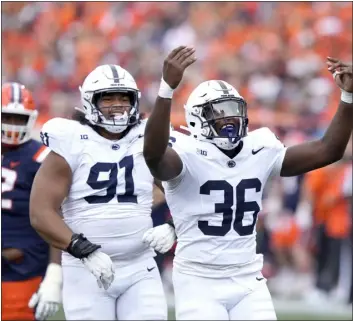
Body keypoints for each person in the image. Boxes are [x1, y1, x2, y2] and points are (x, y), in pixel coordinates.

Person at [142, 46, 353, 320]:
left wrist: (348, 97)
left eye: (232, 110)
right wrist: (166, 91)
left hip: (247, 277)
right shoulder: (185, 153)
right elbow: (153, 153)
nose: (229, 118)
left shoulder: (259, 148)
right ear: (196, 119)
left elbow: (328, 150)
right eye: (218, 112)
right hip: (198, 278)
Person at [29, 64, 174, 320]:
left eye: (123, 97)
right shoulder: (71, 139)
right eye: (107, 97)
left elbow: (190, 194)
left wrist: (175, 227)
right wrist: (82, 249)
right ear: (89, 101)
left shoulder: (147, 137)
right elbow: (41, 212)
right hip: (86, 269)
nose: (117, 104)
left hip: (141, 266)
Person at [1, 82, 62, 321]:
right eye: (8, 117)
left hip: (22, 264)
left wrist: (54, 270)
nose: (12, 125)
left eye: (19, 118)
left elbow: (57, 213)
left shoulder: (43, 157)